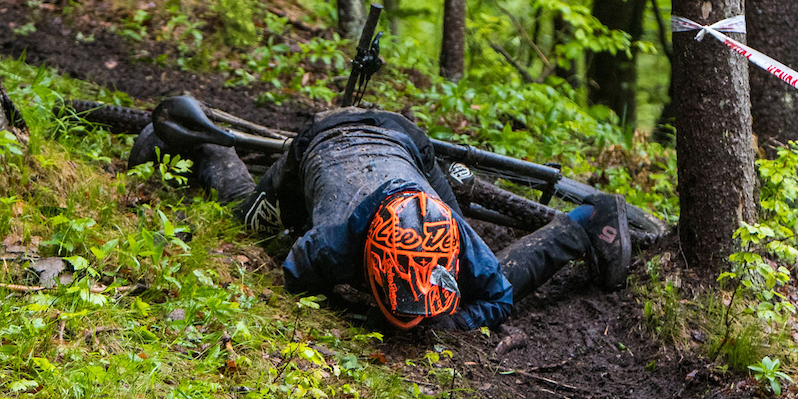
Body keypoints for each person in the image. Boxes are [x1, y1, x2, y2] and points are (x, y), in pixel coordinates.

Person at [129, 99, 632, 331]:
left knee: (490, 269)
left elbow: (497, 295)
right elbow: (293, 277)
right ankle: (205, 146)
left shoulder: (448, 232)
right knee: (251, 222)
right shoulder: (327, 246)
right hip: (318, 145)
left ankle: (587, 218)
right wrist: (361, 310)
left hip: (404, 140)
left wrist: (442, 322)